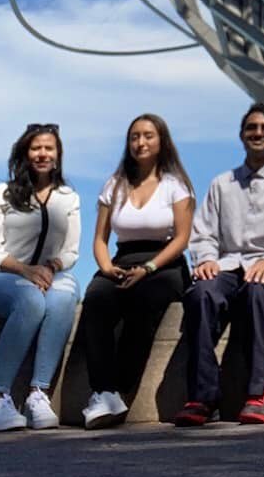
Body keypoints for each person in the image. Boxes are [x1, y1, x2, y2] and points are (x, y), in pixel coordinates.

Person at [174, 103, 264, 427]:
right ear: (241, 135)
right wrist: (206, 260)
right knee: (200, 295)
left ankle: (259, 391)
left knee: (257, 294)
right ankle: (203, 396)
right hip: (227, 267)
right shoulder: (222, 184)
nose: (258, 133)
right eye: (251, 128)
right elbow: (204, 233)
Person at [77, 114, 196, 427]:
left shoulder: (175, 186)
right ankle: (102, 392)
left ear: (161, 141)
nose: (140, 142)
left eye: (148, 136)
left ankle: (120, 389)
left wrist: (149, 267)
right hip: (122, 259)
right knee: (96, 300)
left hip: (164, 262)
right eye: (134, 136)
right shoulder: (113, 186)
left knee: (142, 304)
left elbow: (182, 238)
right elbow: (100, 239)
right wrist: (106, 267)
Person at [0, 123, 83, 432]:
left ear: (58, 155)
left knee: (65, 296)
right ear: (25, 153)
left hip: (49, 274)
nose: (42, 154)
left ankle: (38, 395)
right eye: (36, 148)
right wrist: (24, 270)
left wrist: (51, 266)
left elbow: (71, 251)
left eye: (49, 148)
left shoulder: (68, 197)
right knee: (30, 299)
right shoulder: (2, 194)